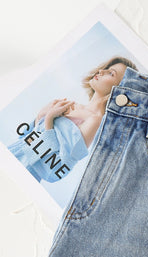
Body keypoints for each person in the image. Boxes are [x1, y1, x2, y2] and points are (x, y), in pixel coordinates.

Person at [8, 56, 137, 183]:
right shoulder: (69, 104)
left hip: (24, 173)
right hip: (12, 153)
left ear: (119, 91)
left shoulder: (94, 120)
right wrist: (40, 116)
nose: (101, 71)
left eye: (111, 73)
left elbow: (57, 168)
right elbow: (25, 138)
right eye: (106, 68)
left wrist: (48, 119)